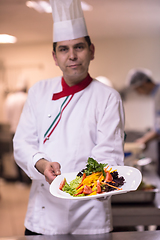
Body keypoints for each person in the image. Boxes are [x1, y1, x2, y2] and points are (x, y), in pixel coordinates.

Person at [13, 0, 125, 235]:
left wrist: (72, 185)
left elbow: (108, 156)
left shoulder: (108, 97)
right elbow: (22, 143)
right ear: (54, 57)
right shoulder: (39, 91)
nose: (72, 56)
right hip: (43, 216)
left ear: (91, 50)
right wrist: (43, 165)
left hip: (89, 217)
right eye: (63, 49)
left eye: (79, 47)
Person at [4, 77, 29, 183]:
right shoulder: (27, 97)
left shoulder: (10, 98)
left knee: (17, 154)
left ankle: (20, 179)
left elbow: (7, 117)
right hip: (27, 131)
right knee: (29, 154)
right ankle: (28, 180)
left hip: (14, 130)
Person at [126, 68, 160, 145]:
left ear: (144, 83)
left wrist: (144, 140)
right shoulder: (156, 95)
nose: (138, 93)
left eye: (137, 89)